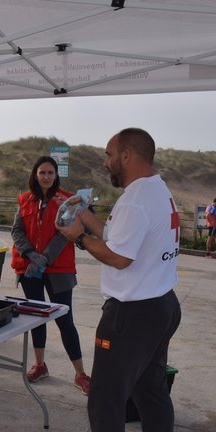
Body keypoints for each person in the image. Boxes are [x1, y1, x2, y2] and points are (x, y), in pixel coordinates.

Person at [57, 128, 182, 432]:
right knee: (150, 390)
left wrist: (79, 238)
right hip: (161, 305)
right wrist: (85, 215)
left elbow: (119, 257)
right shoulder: (156, 190)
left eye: (109, 155)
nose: (105, 162)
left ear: (127, 155)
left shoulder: (135, 200)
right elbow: (118, 237)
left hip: (131, 314)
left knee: (105, 399)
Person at [10, 156, 91, 395]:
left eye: (50, 173)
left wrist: (45, 257)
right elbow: (17, 230)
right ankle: (40, 364)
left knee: (65, 320)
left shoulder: (67, 200)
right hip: (31, 269)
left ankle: (80, 374)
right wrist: (29, 254)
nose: (46, 177)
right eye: (42, 172)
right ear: (35, 175)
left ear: (56, 176)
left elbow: (67, 232)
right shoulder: (25, 199)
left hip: (58, 269)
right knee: (37, 317)